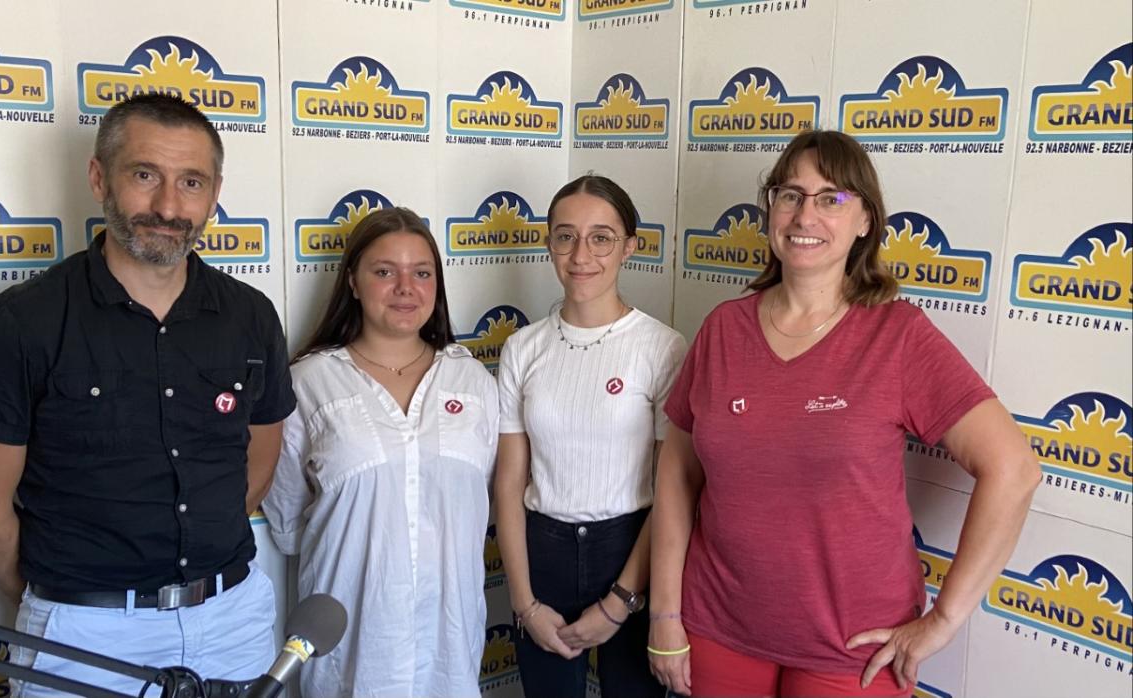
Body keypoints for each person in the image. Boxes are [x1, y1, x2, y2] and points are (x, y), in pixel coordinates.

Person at [648, 129, 1042, 697]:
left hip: (853, 651)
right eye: (791, 195)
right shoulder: (723, 330)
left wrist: (945, 620)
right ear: (771, 212)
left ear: (865, 222)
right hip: (717, 631)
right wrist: (664, 614)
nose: (806, 215)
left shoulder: (897, 335)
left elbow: (1014, 469)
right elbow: (678, 473)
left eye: (831, 199)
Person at [0, 94, 295, 696]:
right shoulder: (22, 322)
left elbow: (257, 466)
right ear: (98, 176)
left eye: (191, 182)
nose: (167, 206)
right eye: (143, 175)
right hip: (84, 636)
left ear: (214, 193)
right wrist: (70, 603)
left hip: (233, 618)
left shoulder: (250, 316)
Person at [262, 207, 498, 698]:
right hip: (351, 649)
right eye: (385, 271)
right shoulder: (308, 383)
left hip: (448, 649)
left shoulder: (473, 382)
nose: (405, 288)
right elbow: (287, 523)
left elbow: (479, 503)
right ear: (352, 281)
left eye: (422, 272)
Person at [494, 175, 687, 698]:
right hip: (543, 551)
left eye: (601, 237)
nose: (581, 254)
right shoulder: (522, 348)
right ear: (548, 242)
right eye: (565, 236)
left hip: (631, 552)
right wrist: (525, 602)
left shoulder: (663, 348)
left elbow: (673, 491)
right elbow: (509, 483)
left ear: (630, 246)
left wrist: (623, 598)